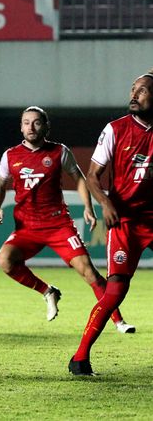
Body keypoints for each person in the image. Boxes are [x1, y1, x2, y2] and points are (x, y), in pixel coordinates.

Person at [0, 106, 134, 332]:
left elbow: (78, 178)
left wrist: (88, 206)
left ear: (46, 126)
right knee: (4, 260)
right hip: (27, 227)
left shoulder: (59, 152)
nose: (31, 127)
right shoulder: (10, 155)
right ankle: (48, 291)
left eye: (37, 122)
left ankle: (119, 321)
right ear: (20, 127)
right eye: (26, 122)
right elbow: (0, 184)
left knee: (88, 272)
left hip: (58, 225)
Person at [69, 70, 153, 376]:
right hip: (125, 221)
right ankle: (79, 358)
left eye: (142, 90)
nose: (134, 94)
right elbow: (92, 175)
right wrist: (105, 203)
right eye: (133, 89)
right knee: (115, 292)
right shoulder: (116, 129)